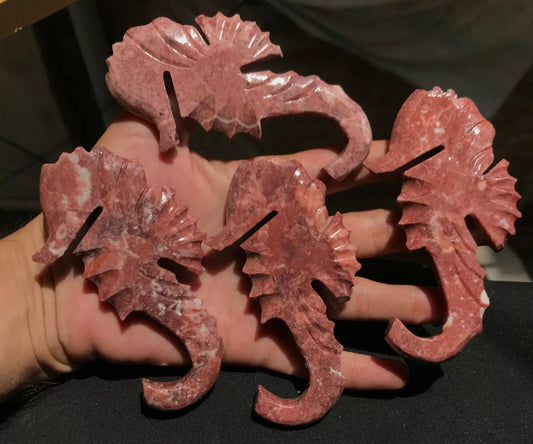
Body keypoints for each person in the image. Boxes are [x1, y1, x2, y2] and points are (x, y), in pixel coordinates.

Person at [0, 112, 443, 401]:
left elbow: (196, 243)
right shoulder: (105, 202)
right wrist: (38, 296)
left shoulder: (142, 207)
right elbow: (192, 243)